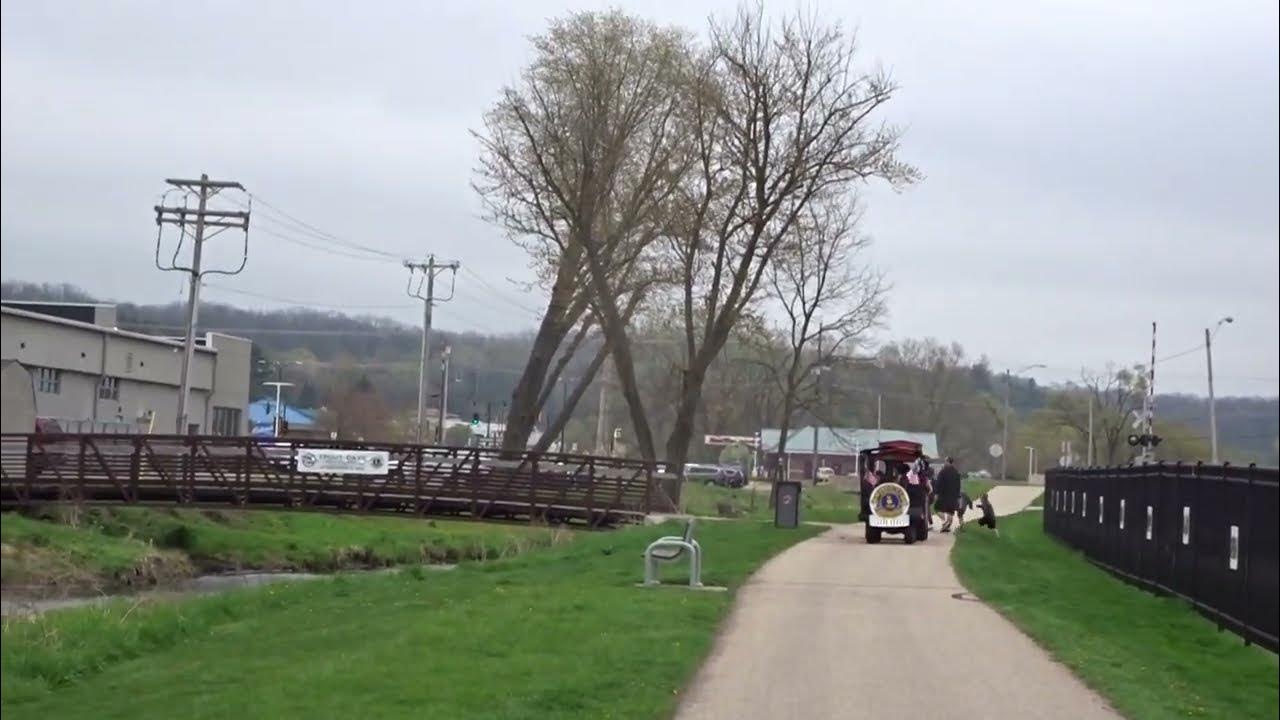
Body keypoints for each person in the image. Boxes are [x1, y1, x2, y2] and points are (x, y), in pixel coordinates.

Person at [934, 456, 962, 532]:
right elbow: (958, 485)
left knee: (937, 508)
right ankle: (947, 526)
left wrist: (936, 493)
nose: (944, 463)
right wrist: (958, 496)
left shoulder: (943, 471)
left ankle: (944, 522)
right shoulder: (956, 472)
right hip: (953, 495)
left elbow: (938, 483)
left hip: (943, 494)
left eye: (945, 461)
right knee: (950, 511)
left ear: (947, 461)